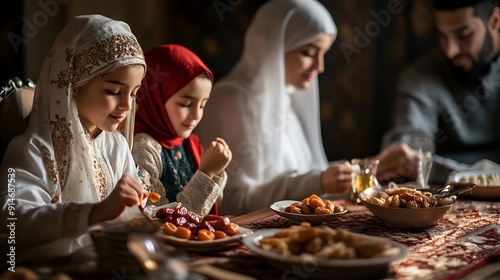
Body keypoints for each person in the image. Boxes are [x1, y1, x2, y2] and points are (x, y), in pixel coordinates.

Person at [0, 15, 148, 263]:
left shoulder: (116, 145)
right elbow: (12, 220)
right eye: (113, 91)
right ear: (71, 85)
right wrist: (94, 213)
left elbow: (134, 213)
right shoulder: (32, 149)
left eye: (134, 93)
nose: (126, 105)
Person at [195, 0, 353, 216]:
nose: (320, 67)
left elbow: (306, 175)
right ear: (273, 47)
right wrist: (317, 182)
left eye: (322, 53)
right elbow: (231, 201)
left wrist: (369, 169)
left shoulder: (286, 97)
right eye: (308, 53)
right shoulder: (230, 101)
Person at [376, 0, 500, 185]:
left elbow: (421, 167)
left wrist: (434, 169)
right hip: (444, 200)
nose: (450, 50)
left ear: (495, 21)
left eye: (463, 34)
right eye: (442, 35)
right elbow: (407, 159)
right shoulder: (419, 77)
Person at [132, 44, 231, 216]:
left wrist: (216, 170)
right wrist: (206, 172)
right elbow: (158, 219)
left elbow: (211, 204)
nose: (195, 115)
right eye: (186, 104)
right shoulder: (143, 149)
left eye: (202, 105)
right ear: (156, 98)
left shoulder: (190, 144)